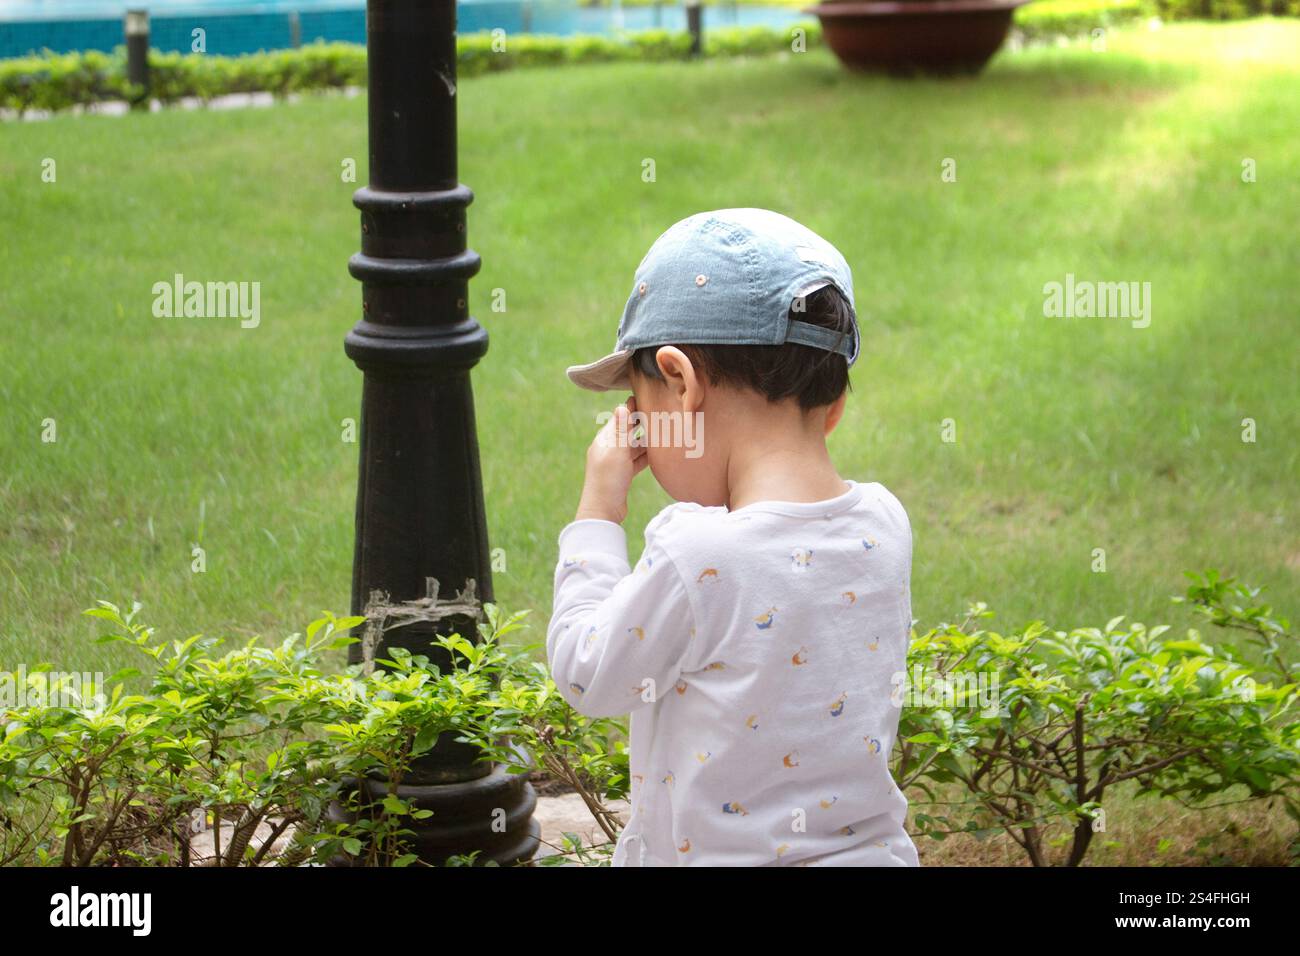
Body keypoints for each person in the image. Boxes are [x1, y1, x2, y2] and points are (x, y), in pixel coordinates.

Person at [547, 208, 918, 867]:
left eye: (640, 405)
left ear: (681, 382)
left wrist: (598, 510)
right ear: (834, 404)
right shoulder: (885, 524)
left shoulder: (699, 557)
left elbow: (586, 672)